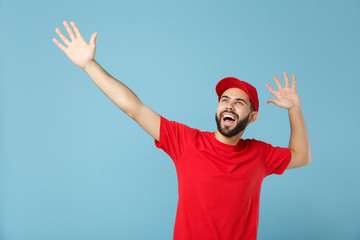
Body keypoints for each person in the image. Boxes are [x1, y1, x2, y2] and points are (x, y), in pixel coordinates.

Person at [53, 21, 311, 240]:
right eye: (224, 99)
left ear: (252, 117)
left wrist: (294, 109)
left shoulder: (259, 154)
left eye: (239, 102)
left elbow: (301, 156)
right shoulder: (186, 142)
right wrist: (89, 65)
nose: (229, 105)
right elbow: (135, 108)